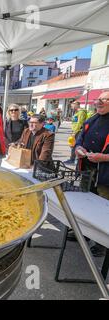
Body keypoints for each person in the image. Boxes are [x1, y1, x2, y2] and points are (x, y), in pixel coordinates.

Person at [74, 91, 109, 257]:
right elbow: (80, 138)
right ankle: (85, 234)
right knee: (86, 204)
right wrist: (78, 148)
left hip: (105, 175)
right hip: (87, 170)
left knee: (103, 209)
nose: (99, 102)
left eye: (104, 99)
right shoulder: (91, 119)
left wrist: (104, 157)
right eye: (98, 99)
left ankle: (102, 244)